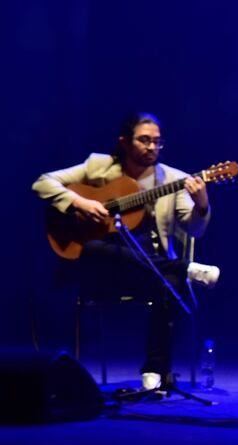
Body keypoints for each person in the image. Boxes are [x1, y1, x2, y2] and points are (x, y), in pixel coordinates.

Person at [32, 112, 220, 391]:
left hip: (149, 273)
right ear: (124, 142)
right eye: (144, 141)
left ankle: (155, 371)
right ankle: (184, 268)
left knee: (172, 283)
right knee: (94, 248)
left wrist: (201, 204)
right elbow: (42, 183)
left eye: (158, 142)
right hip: (105, 272)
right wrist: (81, 204)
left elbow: (194, 229)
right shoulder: (98, 166)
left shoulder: (175, 179)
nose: (152, 148)